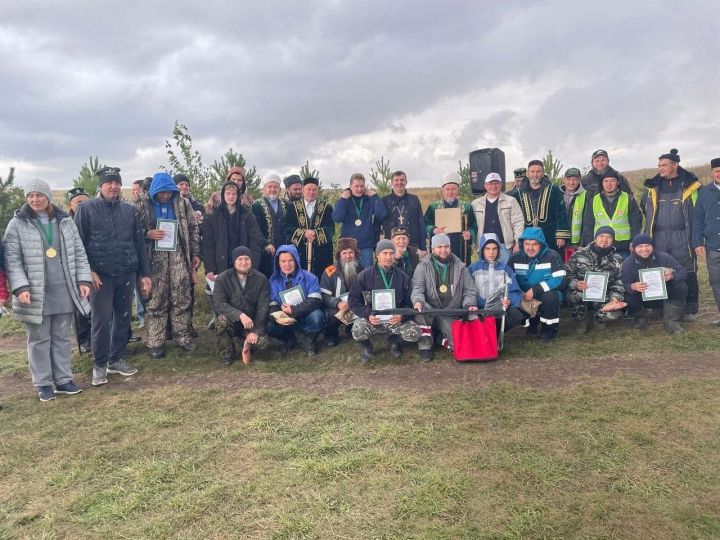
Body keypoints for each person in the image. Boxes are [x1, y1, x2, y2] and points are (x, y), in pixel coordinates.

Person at [4, 179, 91, 401]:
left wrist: (83, 280)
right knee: (39, 338)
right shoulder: (17, 224)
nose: (35, 199)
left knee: (61, 336)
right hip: (34, 291)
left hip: (63, 289)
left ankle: (63, 379)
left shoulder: (64, 221)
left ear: (48, 197)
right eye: (30, 195)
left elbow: (79, 252)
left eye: (39, 195)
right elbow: (11, 260)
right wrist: (20, 286)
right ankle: (43, 383)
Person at [74, 167, 151, 386]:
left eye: (117, 183)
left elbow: (139, 243)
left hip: (126, 271)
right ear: (101, 185)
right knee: (101, 320)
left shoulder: (130, 211)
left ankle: (115, 358)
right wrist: (87, 270)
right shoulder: (86, 209)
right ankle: (99, 364)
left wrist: (145, 273)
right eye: (109, 183)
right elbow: (78, 244)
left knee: (124, 317)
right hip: (100, 276)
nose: (114, 186)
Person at [135, 172, 201, 358]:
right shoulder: (141, 206)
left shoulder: (182, 203)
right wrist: (147, 234)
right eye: (162, 192)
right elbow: (133, 232)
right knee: (156, 300)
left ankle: (183, 338)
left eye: (168, 192)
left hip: (179, 254)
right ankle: (156, 342)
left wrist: (195, 254)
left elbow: (193, 228)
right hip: (153, 257)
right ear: (155, 190)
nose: (165, 195)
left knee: (182, 298)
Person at [641, 148, 702, 315]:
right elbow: (644, 209)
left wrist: (697, 238)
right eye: (659, 165)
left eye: (664, 165)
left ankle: (689, 308)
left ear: (675, 165)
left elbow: (699, 212)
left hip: (682, 236)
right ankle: (661, 306)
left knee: (687, 270)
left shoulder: (691, 186)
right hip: (658, 236)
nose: (660, 168)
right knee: (660, 270)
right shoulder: (652, 187)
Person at [348, 240, 421, 364]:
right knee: (357, 330)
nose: (388, 257)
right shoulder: (364, 275)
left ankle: (394, 341)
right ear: (377, 255)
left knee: (414, 332)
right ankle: (367, 348)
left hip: (395, 320)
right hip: (373, 319)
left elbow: (410, 303)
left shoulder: (403, 277)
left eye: (391, 253)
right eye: (385, 253)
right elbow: (353, 300)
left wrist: (402, 316)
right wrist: (368, 314)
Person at [412, 233, 478, 361]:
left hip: (450, 313)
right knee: (421, 309)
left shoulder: (461, 267)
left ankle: (438, 338)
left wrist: (469, 304)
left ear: (450, 247)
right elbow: (417, 288)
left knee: (459, 346)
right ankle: (425, 345)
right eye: (439, 247)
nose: (443, 250)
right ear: (432, 249)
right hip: (430, 311)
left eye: (446, 246)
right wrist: (418, 301)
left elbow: (469, 290)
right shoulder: (423, 266)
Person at [213, 246, 269, 365]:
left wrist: (255, 331)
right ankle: (227, 352)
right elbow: (219, 304)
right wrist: (240, 315)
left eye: (247, 259)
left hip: (252, 323)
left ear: (251, 261)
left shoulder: (262, 280)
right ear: (234, 261)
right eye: (240, 259)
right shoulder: (222, 279)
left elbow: (263, 308)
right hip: (232, 321)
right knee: (221, 320)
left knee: (263, 344)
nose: (243, 262)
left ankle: (247, 342)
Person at [622, 233, 688, 334]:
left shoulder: (664, 257)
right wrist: (633, 286)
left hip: (664, 297)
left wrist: (672, 276)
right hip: (642, 298)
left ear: (653, 246)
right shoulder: (627, 263)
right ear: (634, 248)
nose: (644, 249)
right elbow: (624, 284)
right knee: (628, 295)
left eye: (647, 245)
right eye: (640, 246)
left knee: (680, 285)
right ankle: (641, 317)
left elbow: (683, 272)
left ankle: (671, 320)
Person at [508, 227, 566, 342]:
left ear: (541, 244)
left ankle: (549, 330)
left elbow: (560, 278)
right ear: (522, 244)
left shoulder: (552, 256)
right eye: (527, 244)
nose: (530, 248)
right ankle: (531, 323)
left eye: (535, 244)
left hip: (546, 293)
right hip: (523, 295)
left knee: (550, 296)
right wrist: (518, 292)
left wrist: (535, 290)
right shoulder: (515, 258)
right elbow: (507, 279)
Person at [565, 227, 626, 334]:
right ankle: (581, 319)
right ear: (595, 238)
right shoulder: (578, 254)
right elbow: (567, 275)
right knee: (572, 296)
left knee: (614, 312)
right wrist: (576, 284)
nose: (605, 240)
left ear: (613, 241)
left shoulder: (618, 259)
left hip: (603, 294)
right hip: (581, 293)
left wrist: (615, 298)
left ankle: (599, 318)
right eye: (601, 236)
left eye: (609, 237)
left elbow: (618, 283)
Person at [267, 244, 325, 356]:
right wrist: (279, 316)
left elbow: (315, 300)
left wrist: (294, 310)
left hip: (305, 314)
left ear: (296, 261)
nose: (287, 265)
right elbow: (272, 305)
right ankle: (289, 338)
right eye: (283, 261)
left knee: (317, 317)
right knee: (269, 326)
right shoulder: (272, 281)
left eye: (290, 260)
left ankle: (309, 339)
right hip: (286, 318)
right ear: (278, 263)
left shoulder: (310, 277)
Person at [468, 233, 524, 334]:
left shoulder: (506, 269)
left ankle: (495, 332)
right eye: (487, 249)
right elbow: (467, 290)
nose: (491, 252)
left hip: (498, 310)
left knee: (517, 315)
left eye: (495, 249)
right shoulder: (473, 268)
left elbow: (514, 291)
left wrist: (508, 301)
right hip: (479, 310)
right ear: (482, 250)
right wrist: (475, 304)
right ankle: (483, 333)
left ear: (499, 250)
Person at [581, 170, 643, 259]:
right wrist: (589, 244)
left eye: (612, 181)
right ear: (601, 183)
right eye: (606, 181)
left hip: (623, 247)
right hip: (601, 247)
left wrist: (634, 241)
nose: (609, 184)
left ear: (618, 182)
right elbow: (588, 224)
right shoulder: (594, 200)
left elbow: (636, 222)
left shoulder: (628, 199)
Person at [514, 159, 570, 252]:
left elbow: (561, 213)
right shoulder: (518, 193)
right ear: (527, 173)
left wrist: (561, 236)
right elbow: (515, 218)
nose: (535, 174)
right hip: (527, 238)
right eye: (532, 171)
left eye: (538, 171)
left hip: (550, 236)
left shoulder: (554, 189)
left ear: (543, 173)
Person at [332, 173, 387, 268]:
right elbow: (337, 218)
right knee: (346, 277)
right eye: (356, 186)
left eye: (362, 186)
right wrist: (343, 200)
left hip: (366, 246)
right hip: (347, 247)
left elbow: (382, 214)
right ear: (350, 186)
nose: (359, 189)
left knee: (366, 277)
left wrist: (375, 196)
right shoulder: (344, 200)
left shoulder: (369, 200)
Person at [285, 177, 334, 279]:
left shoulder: (327, 208)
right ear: (303, 190)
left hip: (321, 254)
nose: (312, 192)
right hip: (300, 252)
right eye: (309, 189)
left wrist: (315, 233)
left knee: (322, 281)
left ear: (318, 191)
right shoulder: (292, 207)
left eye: (314, 190)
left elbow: (330, 229)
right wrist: (304, 234)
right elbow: (287, 228)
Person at [471, 172, 524, 264]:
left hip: (505, 246)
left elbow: (518, 222)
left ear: (501, 184)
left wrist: (517, 242)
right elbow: (472, 226)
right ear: (485, 185)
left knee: (504, 274)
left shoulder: (511, 201)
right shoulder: (475, 204)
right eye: (490, 183)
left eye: (496, 183)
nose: (493, 186)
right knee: (484, 275)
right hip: (484, 246)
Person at [424, 172, 476, 265]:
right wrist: (434, 230)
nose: (450, 192)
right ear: (442, 191)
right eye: (447, 189)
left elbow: (473, 226)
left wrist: (470, 234)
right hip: (440, 248)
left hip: (460, 248)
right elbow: (425, 224)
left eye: (453, 189)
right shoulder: (433, 207)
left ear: (458, 190)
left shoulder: (466, 206)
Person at [692, 157, 720, 324]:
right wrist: (697, 242)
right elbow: (698, 219)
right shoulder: (704, 193)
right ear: (712, 173)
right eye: (717, 171)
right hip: (713, 247)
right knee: (716, 281)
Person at [320, 238, 363, 347]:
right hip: (337, 307)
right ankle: (331, 334)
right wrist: (338, 303)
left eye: (351, 253)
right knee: (330, 315)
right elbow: (324, 295)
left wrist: (355, 302)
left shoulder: (362, 270)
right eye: (344, 253)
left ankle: (352, 328)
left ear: (355, 254)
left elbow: (367, 292)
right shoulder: (329, 271)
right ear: (339, 255)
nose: (348, 256)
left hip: (355, 305)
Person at [66, 187, 92, 353]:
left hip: (95, 267)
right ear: (71, 205)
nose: (82, 206)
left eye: (85, 202)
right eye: (79, 202)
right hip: (75, 271)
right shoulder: (66, 223)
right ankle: (83, 340)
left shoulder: (94, 219)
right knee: (80, 307)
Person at [252, 173, 289, 278]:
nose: (273, 189)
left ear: (280, 189)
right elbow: (254, 229)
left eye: (275, 187)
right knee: (266, 277)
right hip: (265, 250)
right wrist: (265, 244)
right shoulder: (257, 206)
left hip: (283, 248)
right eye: (269, 187)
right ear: (264, 189)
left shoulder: (286, 204)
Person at [380, 170, 427, 254]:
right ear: (391, 183)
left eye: (402, 180)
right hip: (392, 247)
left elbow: (421, 224)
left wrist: (423, 247)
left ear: (406, 182)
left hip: (413, 245)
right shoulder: (384, 201)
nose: (399, 183)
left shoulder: (414, 200)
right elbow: (377, 225)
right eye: (396, 180)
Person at [559, 167, 589, 261]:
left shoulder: (586, 195)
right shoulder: (557, 194)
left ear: (579, 180)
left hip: (576, 242)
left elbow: (587, 221)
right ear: (564, 179)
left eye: (575, 180)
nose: (571, 183)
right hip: (559, 241)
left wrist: (582, 243)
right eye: (568, 179)